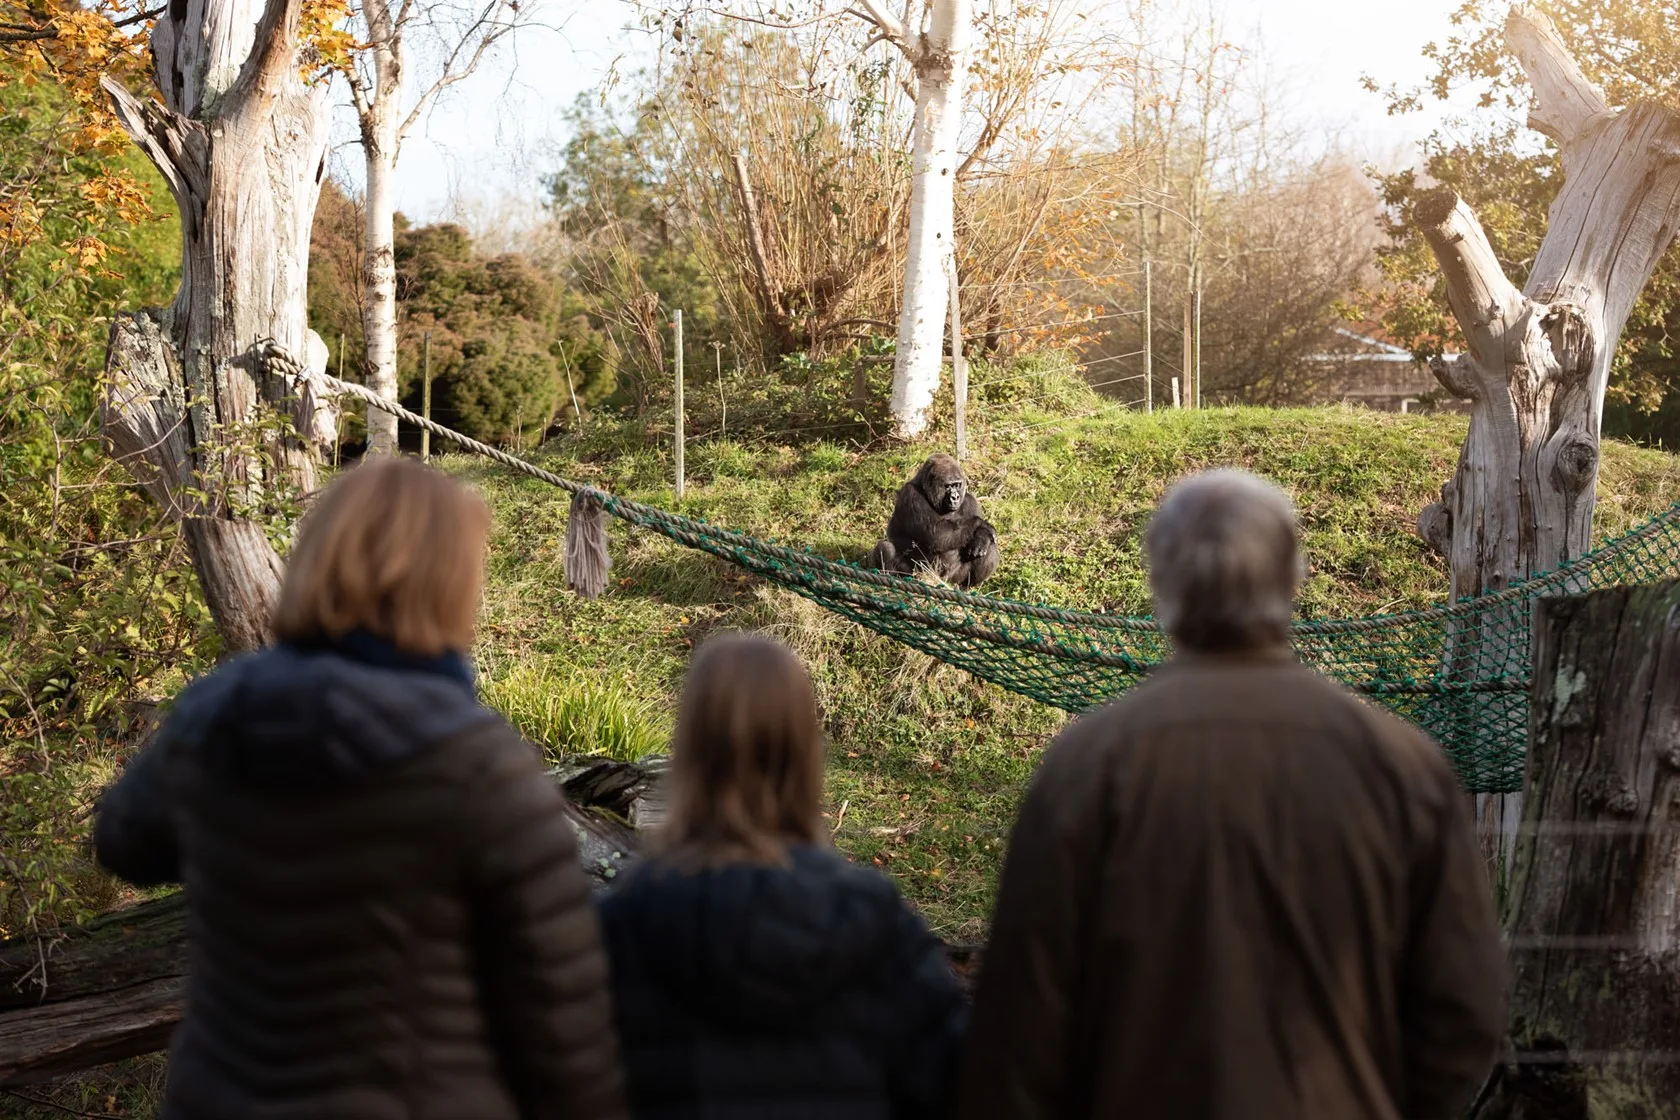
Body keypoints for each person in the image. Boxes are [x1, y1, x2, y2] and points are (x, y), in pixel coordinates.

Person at [957, 468, 1507, 1120]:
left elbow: (1020, 1027)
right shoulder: (1401, 767)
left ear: (1161, 585)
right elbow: (1468, 1007)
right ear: (1292, 579)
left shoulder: (1086, 766)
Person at [93, 457, 626, 1120]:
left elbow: (122, 844)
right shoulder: (481, 763)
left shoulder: (217, 713)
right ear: (454, 584)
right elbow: (564, 1022)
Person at [595, 632, 967, 1120]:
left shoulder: (623, 922)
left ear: (688, 754)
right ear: (805, 754)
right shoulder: (873, 919)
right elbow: (954, 1083)